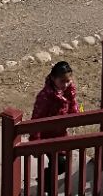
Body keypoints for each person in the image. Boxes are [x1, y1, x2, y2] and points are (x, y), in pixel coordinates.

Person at [31, 60, 80, 195]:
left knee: (62, 164)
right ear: (53, 78)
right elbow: (36, 119)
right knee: (60, 163)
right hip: (47, 137)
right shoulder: (45, 96)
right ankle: (47, 186)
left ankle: (46, 179)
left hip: (61, 134)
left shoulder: (68, 90)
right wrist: (35, 140)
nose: (65, 84)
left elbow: (73, 104)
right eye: (62, 81)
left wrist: (76, 115)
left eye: (68, 81)